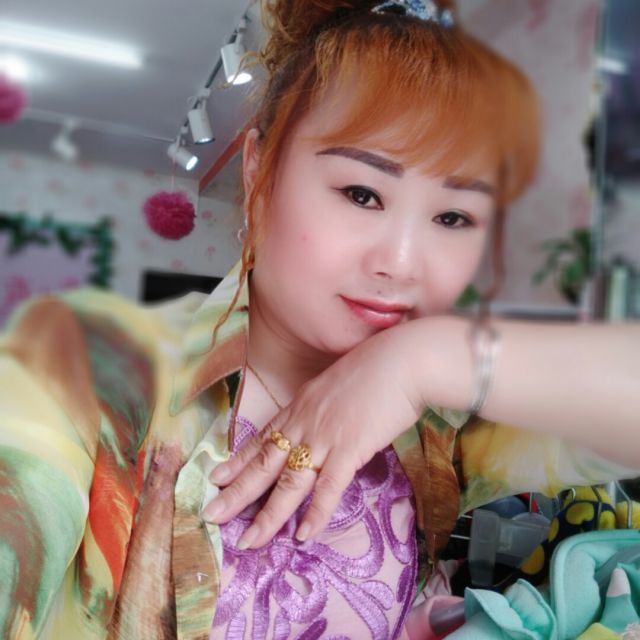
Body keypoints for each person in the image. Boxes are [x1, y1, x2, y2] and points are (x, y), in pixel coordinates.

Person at [1, 0, 639, 639]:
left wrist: (423, 362)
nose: (400, 263)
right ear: (259, 170)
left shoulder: (437, 424)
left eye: (453, 217)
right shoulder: (91, 363)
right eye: (362, 194)